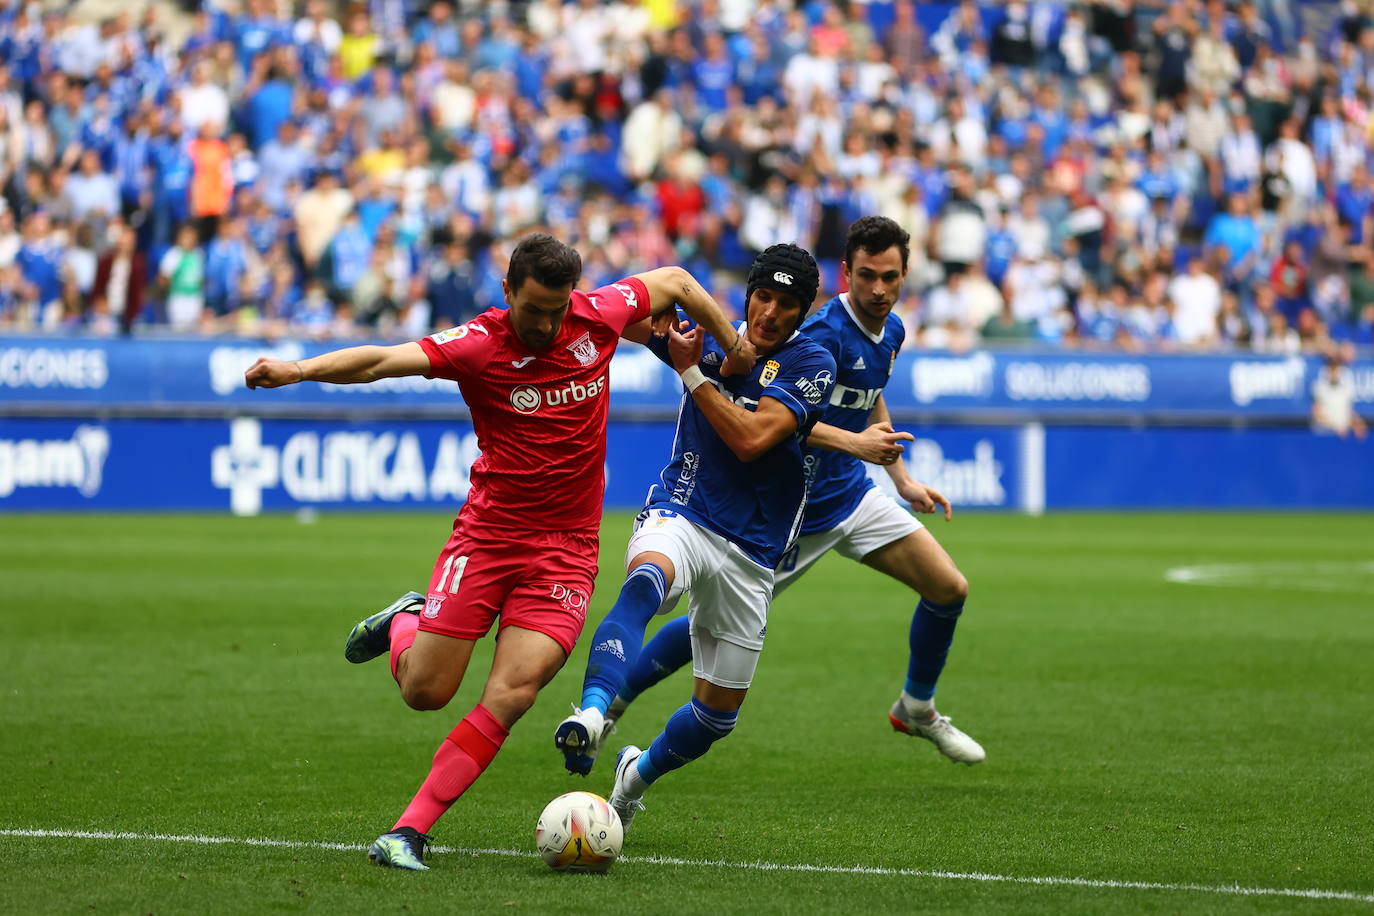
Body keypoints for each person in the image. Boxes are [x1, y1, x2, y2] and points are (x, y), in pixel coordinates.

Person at [242, 233, 756, 870]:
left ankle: (409, 831)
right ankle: (407, 617)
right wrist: (297, 371)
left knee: (513, 692)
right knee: (425, 691)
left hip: (566, 552)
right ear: (508, 290)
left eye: (556, 309)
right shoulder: (479, 345)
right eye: (534, 308)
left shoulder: (596, 315)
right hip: (487, 538)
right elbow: (381, 361)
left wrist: (734, 348)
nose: (546, 323)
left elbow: (677, 279)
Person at [562, 217, 986, 772]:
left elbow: (865, 394)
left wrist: (900, 479)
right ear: (845, 275)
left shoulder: (893, 331)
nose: (878, 289)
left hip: (852, 495)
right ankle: (612, 702)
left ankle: (916, 706)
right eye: (867, 276)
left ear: (907, 275)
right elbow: (781, 421)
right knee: (698, 627)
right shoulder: (817, 334)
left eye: (890, 277)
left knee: (949, 587)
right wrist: (854, 443)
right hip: (796, 509)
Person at [553, 243, 838, 834]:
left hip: (754, 548)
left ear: (804, 311)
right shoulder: (712, 334)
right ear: (748, 294)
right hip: (684, 508)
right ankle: (592, 713)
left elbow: (752, 439)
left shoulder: (814, 363)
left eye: (786, 304)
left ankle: (634, 775)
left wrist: (690, 371)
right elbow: (614, 318)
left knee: (714, 721)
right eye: (762, 297)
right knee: (645, 584)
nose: (769, 314)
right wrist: (655, 317)